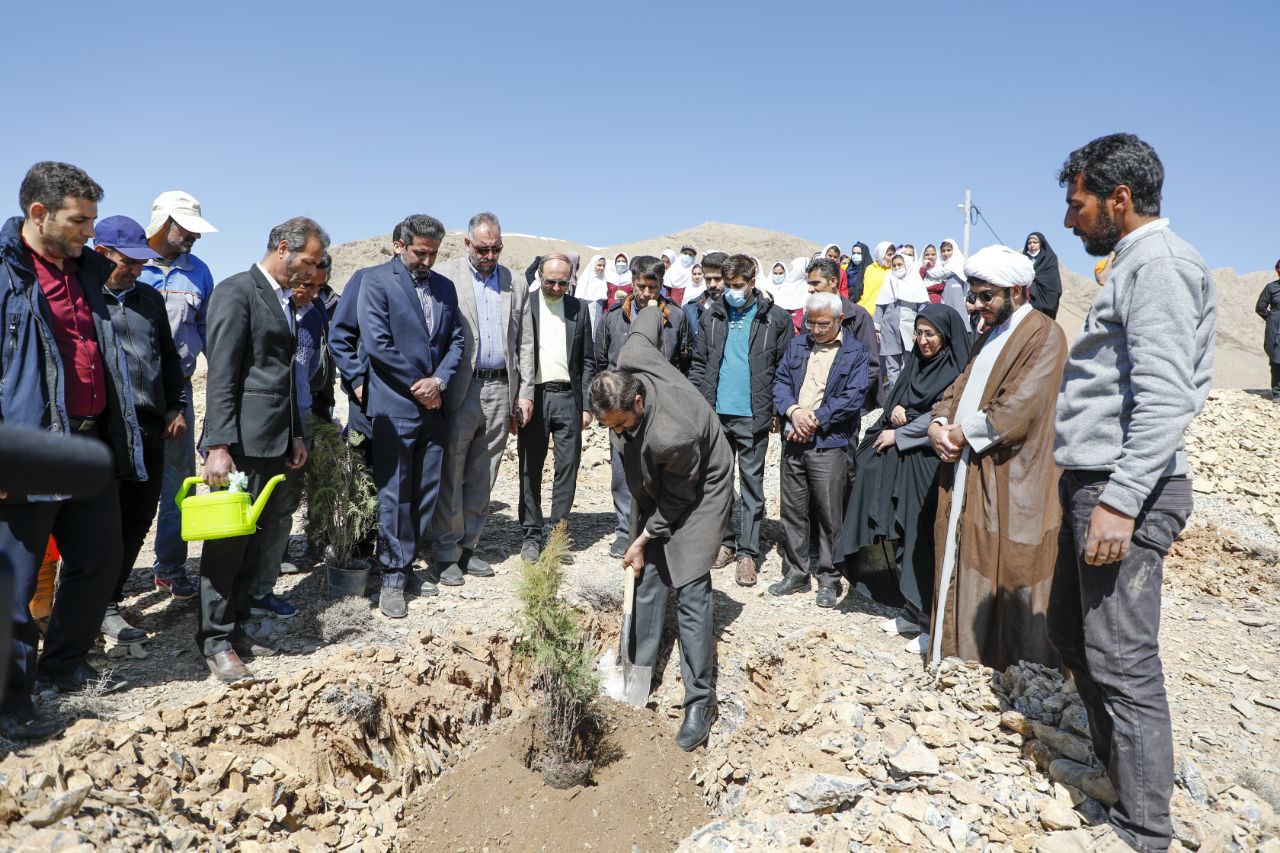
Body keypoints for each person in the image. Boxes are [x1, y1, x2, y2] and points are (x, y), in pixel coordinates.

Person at [1051, 133, 1215, 853]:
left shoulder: (1162, 266)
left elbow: (1165, 397)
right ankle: (1120, 771)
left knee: (1121, 654)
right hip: (1096, 480)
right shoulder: (1133, 265)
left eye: (1078, 204)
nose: (1069, 220)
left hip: (1126, 488)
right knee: (1069, 630)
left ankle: (1145, 827)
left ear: (1118, 199)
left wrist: (1120, 501)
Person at [0, 162, 147, 739]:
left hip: (87, 444)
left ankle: (62, 664)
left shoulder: (86, 272)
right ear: (39, 213)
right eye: (79, 220)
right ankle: (10, 703)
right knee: (14, 583)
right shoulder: (7, 273)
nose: (90, 231)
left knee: (99, 558)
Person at [591, 306, 733, 751]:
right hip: (658, 475)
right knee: (647, 572)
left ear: (637, 401)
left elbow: (677, 500)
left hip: (700, 485)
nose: (617, 433)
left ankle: (700, 701)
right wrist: (658, 310)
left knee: (690, 585)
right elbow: (647, 321)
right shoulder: (632, 356)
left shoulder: (674, 432)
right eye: (609, 428)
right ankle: (639, 670)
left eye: (620, 425)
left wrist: (643, 535)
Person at [927, 245, 1067, 670]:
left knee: (1009, 564)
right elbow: (958, 387)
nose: (976, 305)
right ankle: (954, 655)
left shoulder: (1044, 334)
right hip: (967, 465)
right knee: (962, 556)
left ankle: (1004, 672)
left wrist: (962, 433)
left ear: (1017, 291)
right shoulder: (989, 334)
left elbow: (1019, 408)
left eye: (986, 296)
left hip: (1012, 474)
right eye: (973, 295)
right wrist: (938, 423)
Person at [198, 217, 323, 681]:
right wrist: (217, 445)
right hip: (240, 445)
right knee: (228, 545)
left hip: (274, 443)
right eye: (307, 260)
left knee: (255, 543)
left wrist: (295, 435)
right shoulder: (237, 291)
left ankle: (236, 627)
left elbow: (284, 378)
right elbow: (222, 373)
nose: (311, 271)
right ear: (283, 247)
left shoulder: (284, 300)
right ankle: (214, 641)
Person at [838, 305, 971, 645]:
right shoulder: (916, 363)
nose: (923, 341)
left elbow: (944, 415)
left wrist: (901, 433)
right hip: (904, 463)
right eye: (919, 333)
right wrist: (896, 408)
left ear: (946, 336)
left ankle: (931, 621)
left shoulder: (957, 370)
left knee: (922, 539)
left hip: (931, 465)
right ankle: (912, 611)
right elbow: (897, 397)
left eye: (931, 334)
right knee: (903, 536)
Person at [358, 214, 464, 616]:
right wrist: (420, 384)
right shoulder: (376, 281)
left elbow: (456, 341)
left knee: (425, 492)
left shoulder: (445, 287)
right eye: (421, 252)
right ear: (400, 245)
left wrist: (439, 381)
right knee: (395, 494)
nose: (427, 261)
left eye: (433, 253)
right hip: (396, 406)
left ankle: (406, 564)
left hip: (434, 408)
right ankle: (391, 577)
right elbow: (378, 345)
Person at [94, 216, 186, 645]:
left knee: (136, 520)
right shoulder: (82, 297)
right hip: (100, 433)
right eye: (127, 261)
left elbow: (168, 358)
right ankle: (90, 608)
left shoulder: (148, 298)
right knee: (98, 524)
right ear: (101, 253)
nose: (136, 269)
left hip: (149, 430)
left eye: (140, 262)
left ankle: (108, 602)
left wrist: (176, 406)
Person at [430, 212, 535, 586]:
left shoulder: (514, 282)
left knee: (484, 472)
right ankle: (445, 551)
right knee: (451, 470)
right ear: (467, 244)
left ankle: (467, 547)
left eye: (496, 249)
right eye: (483, 249)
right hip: (461, 388)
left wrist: (525, 392)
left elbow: (524, 341)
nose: (490, 256)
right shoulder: (446, 276)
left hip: (501, 389)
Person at [689, 254, 795, 587]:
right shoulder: (711, 316)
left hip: (754, 416)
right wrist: (700, 406)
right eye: (728, 284)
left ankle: (748, 552)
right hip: (717, 416)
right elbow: (699, 364)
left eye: (737, 285)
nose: (731, 290)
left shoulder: (775, 319)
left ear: (752, 282)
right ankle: (726, 541)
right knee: (718, 484)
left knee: (752, 486)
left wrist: (777, 410)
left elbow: (784, 369)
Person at [139, 190, 218, 601]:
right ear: (165, 222)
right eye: (187, 229)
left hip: (179, 394)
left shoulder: (199, 272)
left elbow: (208, 333)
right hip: (129, 392)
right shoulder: (128, 262)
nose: (194, 237)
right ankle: (105, 576)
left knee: (178, 483)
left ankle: (169, 568)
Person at [768, 293, 870, 607]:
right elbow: (780, 382)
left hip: (829, 443)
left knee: (829, 514)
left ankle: (829, 578)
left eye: (823, 324)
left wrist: (815, 419)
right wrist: (794, 411)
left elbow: (853, 397)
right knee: (793, 510)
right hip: (794, 441)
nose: (816, 329)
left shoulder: (855, 352)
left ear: (839, 320)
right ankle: (797, 572)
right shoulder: (798, 345)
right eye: (811, 323)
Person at [249, 252, 335, 608]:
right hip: (259, 426)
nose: (312, 294)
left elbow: (320, 366)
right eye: (306, 285)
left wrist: (321, 413)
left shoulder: (315, 312)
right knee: (250, 507)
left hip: (301, 422)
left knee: (283, 508)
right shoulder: (259, 306)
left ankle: (262, 589)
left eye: (319, 288)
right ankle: (232, 593)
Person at [597, 256, 691, 556]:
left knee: (659, 470)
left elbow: (685, 362)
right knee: (622, 473)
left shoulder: (676, 317)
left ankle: (656, 531)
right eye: (641, 286)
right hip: (622, 409)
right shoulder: (614, 317)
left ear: (662, 284)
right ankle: (625, 530)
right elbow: (601, 361)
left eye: (653, 287)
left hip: (661, 408)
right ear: (632, 283)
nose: (647, 293)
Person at [517, 254, 595, 561]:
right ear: (539, 276)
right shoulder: (526, 305)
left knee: (567, 468)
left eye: (563, 283)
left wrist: (586, 405)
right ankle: (531, 535)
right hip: (534, 397)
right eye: (551, 281)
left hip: (568, 398)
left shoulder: (579, 308)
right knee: (530, 467)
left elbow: (587, 360)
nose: (557, 288)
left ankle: (557, 535)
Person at [806, 257, 879, 408]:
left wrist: (844, 402)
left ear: (833, 281)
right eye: (809, 284)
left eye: (815, 283)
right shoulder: (809, 316)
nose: (810, 289)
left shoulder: (858, 316)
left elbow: (870, 366)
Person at [875, 253, 929, 390]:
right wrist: (877, 328)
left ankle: (908, 391)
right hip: (889, 328)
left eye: (900, 264)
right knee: (891, 363)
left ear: (907, 265)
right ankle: (894, 393)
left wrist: (920, 329)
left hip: (910, 328)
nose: (896, 268)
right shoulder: (889, 281)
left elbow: (923, 307)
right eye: (894, 265)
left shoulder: (916, 282)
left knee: (910, 360)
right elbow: (880, 305)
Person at [684, 252, 727, 344]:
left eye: (718, 279)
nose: (712, 285)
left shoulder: (738, 310)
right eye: (708, 279)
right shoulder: (691, 309)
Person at [924, 238, 969, 322]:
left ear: (954, 250)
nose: (946, 253)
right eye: (943, 251)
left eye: (949, 250)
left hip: (958, 304)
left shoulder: (958, 265)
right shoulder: (939, 267)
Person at [1254, 259, 1280, 401]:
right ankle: (1277, 394)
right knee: (1276, 358)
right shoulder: (1271, 288)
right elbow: (1260, 308)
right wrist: (1272, 318)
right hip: (1276, 328)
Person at [1023, 231, 1063, 319]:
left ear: (1041, 244)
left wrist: (1032, 280)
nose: (1032, 245)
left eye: (1035, 242)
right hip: (1024, 298)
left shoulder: (1050, 259)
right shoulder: (1022, 259)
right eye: (1029, 243)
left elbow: (1052, 282)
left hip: (1043, 299)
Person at [857, 242, 893, 314]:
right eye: (889, 255)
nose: (892, 257)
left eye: (894, 254)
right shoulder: (869, 269)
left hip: (883, 313)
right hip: (865, 310)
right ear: (881, 255)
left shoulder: (893, 271)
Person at [577, 253, 609, 334]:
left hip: (599, 311)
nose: (602, 268)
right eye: (599, 265)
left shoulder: (604, 280)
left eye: (603, 266)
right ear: (593, 265)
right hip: (586, 311)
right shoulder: (585, 280)